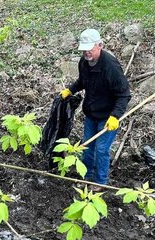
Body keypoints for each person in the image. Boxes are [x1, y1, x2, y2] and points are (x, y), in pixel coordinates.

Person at [60, 28, 131, 189]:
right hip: (91, 113)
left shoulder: (110, 66)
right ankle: (87, 176)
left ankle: (99, 182)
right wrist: (70, 90)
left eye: (90, 49)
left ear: (99, 45)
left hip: (108, 116)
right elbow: (83, 81)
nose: (86, 53)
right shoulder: (84, 63)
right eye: (84, 49)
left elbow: (124, 94)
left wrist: (115, 116)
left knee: (101, 149)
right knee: (87, 146)